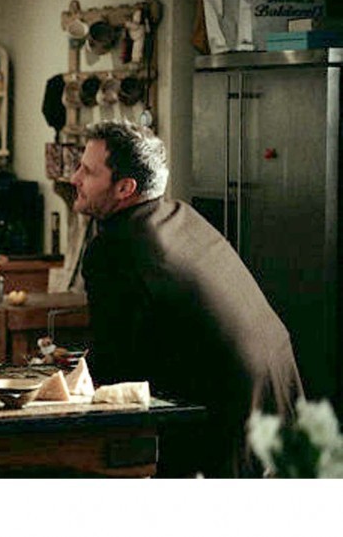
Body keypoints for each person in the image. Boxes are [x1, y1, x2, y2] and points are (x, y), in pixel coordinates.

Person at [71, 120, 303, 477]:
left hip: (228, 415)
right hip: (281, 394)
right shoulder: (181, 214)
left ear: (125, 188)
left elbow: (113, 368)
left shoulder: (113, 250)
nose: (74, 178)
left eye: (87, 172)